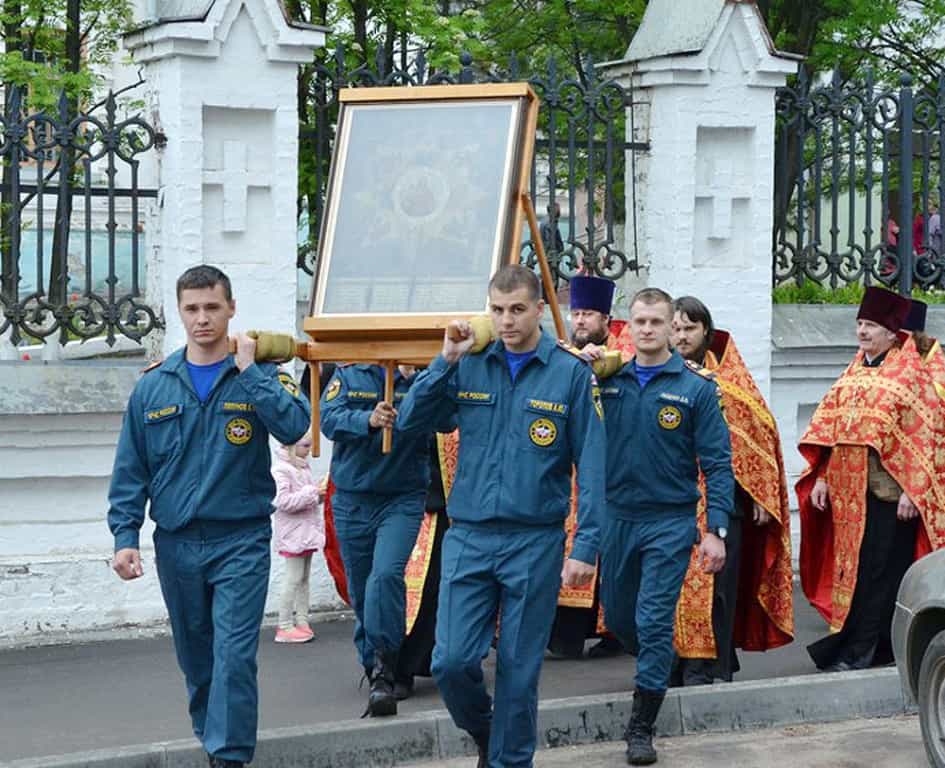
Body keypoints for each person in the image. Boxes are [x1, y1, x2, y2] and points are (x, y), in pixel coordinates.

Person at [397, 264, 605, 768]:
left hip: (533, 541)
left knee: (517, 666)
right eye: (497, 309)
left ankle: (510, 759)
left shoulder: (570, 373)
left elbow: (594, 467)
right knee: (451, 662)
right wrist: (444, 361)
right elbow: (411, 421)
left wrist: (586, 547)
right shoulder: (468, 363)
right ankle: (489, 733)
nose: (506, 321)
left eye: (516, 310)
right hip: (468, 537)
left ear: (539, 309)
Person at [108, 265, 311, 768]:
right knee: (197, 661)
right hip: (176, 543)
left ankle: (229, 755)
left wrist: (251, 372)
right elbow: (131, 469)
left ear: (232, 308)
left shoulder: (260, 376)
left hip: (239, 540)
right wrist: (125, 535)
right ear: (180, 313)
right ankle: (213, 735)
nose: (202, 319)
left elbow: (295, 425)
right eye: (192, 309)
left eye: (212, 307)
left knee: (235, 657)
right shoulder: (155, 388)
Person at [598, 287, 733, 766]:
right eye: (641, 322)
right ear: (628, 327)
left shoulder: (696, 388)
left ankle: (642, 725)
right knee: (618, 618)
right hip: (616, 518)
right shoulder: (606, 380)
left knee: (653, 620)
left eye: (658, 321)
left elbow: (718, 463)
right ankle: (659, 659)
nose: (649, 329)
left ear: (671, 325)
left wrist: (716, 529)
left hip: (669, 522)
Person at [798, 286, 945, 672]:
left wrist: (913, 491)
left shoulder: (910, 372)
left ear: (893, 333)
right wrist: (824, 478)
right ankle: (860, 644)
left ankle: (863, 652)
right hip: (849, 491)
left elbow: (924, 435)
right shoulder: (855, 368)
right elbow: (833, 427)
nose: (862, 331)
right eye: (860, 323)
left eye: (872, 325)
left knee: (879, 574)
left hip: (887, 493)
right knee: (855, 571)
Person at [669, 297, 794, 686]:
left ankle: (713, 667)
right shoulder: (658, 374)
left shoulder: (729, 382)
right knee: (673, 590)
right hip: (673, 503)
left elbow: (759, 435)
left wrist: (760, 492)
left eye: (690, 328)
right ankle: (677, 664)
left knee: (717, 590)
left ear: (706, 331)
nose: (682, 335)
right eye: (676, 328)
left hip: (724, 504)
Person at [319, 362, 451, 717]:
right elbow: (329, 419)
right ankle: (372, 660)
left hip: (402, 498)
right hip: (352, 498)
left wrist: (421, 384)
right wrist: (367, 420)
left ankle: (384, 667)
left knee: (386, 577)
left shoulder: (427, 375)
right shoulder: (351, 372)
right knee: (362, 592)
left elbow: (447, 421)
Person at [548, 273, 634, 660]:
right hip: (568, 466)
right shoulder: (561, 354)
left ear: (605, 319)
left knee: (606, 551)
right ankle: (565, 636)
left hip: (613, 468)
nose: (580, 321)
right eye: (576, 313)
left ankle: (613, 632)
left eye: (588, 314)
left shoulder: (624, 354)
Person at [271, 429, 326, 644]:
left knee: (303, 579)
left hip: (305, 533)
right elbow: (282, 502)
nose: (309, 450)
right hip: (293, 534)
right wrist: (313, 493)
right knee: (293, 579)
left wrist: (318, 494)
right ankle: (284, 624)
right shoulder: (281, 470)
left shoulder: (302, 468)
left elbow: (306, 500)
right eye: (305, 446)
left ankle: (302, 621)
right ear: (291, 446)